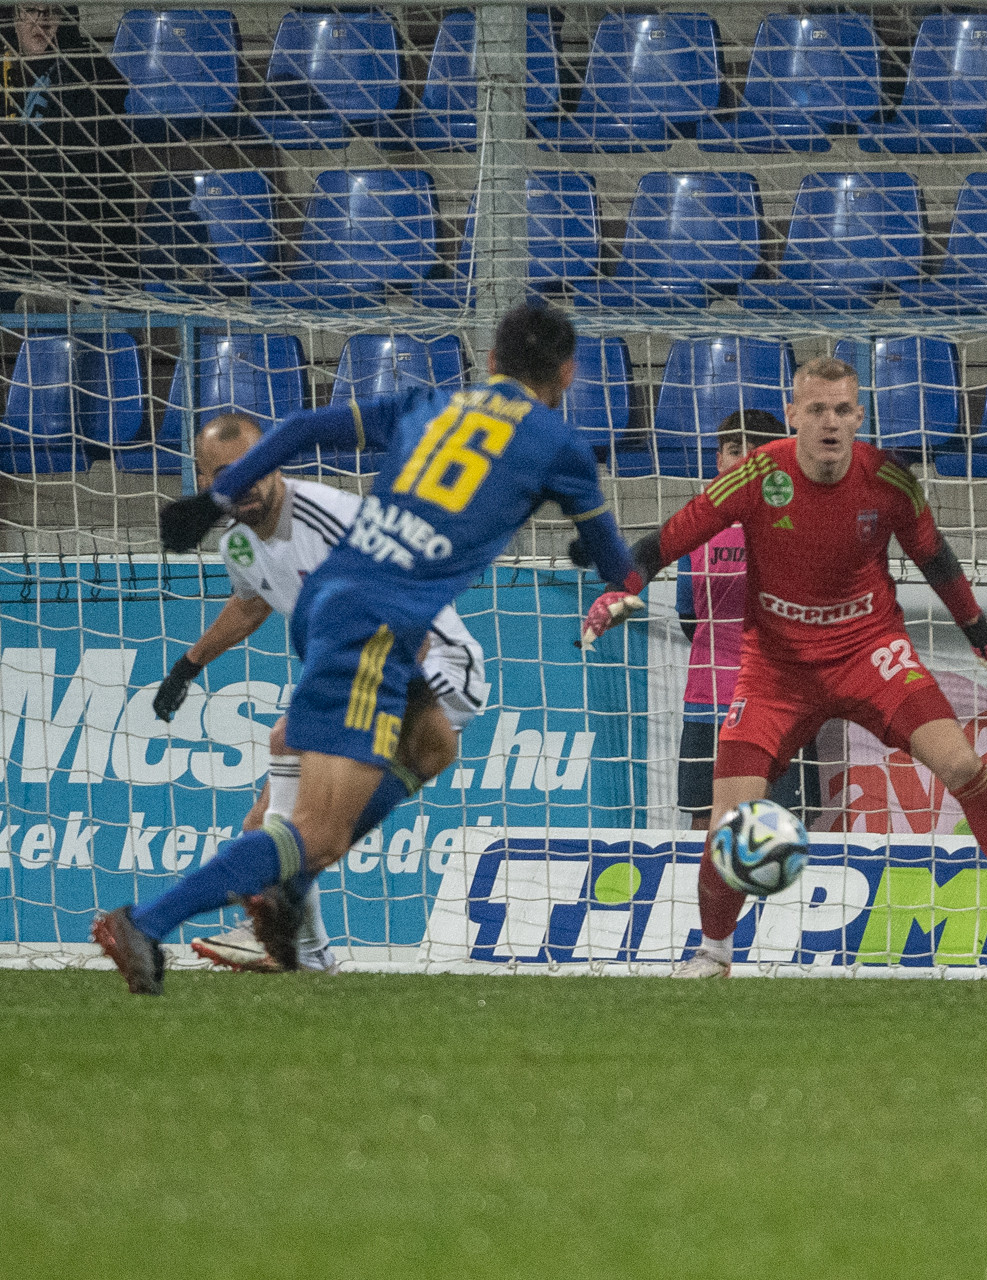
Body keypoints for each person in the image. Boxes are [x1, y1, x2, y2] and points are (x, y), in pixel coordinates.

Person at [94, 303, 640, 995]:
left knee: (433, 746)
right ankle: (148, 920)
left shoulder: (426, 404)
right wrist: (607, 560)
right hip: (377, 626)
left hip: (335, 604)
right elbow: (620, 572)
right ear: (567, 373)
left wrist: (216, 499)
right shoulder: (559, 446)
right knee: (318, 834)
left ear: (491, 361)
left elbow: (300, 427)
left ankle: (284, 893)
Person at [582, 356, 987, 977]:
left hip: (871, 655)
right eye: (816, 410)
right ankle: (713, 953)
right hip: (777, 670)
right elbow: (666, 540)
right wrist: (619, 589)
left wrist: (985, 643)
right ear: (793, 416)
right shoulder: (757, 474)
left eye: (841, 410)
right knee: (729, 823)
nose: (829, 422)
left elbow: (937, 560)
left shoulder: (888, 481)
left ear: (859, 416)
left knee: (964, 766)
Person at [146, 411, 491, 974]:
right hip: (367, 675)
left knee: (292, 774)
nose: (244, 482)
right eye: (225, 474)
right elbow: (251, 604)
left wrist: (399, 688)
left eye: (252, 466)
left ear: (274, 463)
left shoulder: (330, 518)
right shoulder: (238, 542)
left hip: (438, 668)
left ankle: (283, 938)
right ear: (204, 481)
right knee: (265, 825)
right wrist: (188, 666)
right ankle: (302, 950)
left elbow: (409, 601)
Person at [675, 408, 811, 826]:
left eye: (759, 451)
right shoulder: (693, 527)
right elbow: (689, 618)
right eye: (736, 450)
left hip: (780, 705)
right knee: (706, 823)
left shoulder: (803, 526)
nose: (746, 460)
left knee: (780, 826)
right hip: (708, 703)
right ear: (719, 459)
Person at [0, 4, 139, 289]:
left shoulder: (86, 66)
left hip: (72, 207)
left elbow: (85, 150)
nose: (42, 21)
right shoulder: (5, 65)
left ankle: (53, 294)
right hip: (14, 208)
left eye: (53, 11)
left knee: (45, 179)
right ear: (13, 17)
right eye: (31, 10)